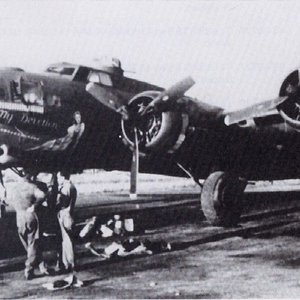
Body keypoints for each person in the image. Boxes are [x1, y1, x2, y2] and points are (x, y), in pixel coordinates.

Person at [5, 172, 50, 280]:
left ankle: (42, 266)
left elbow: (8, 200)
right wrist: (34, 205)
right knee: (33, 243)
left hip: (19, 217)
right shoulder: (32, 187)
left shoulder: (13, 188)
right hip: (30, 216)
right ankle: (29, 268)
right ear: (29, 177)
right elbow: (43, 195)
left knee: (27, 243)